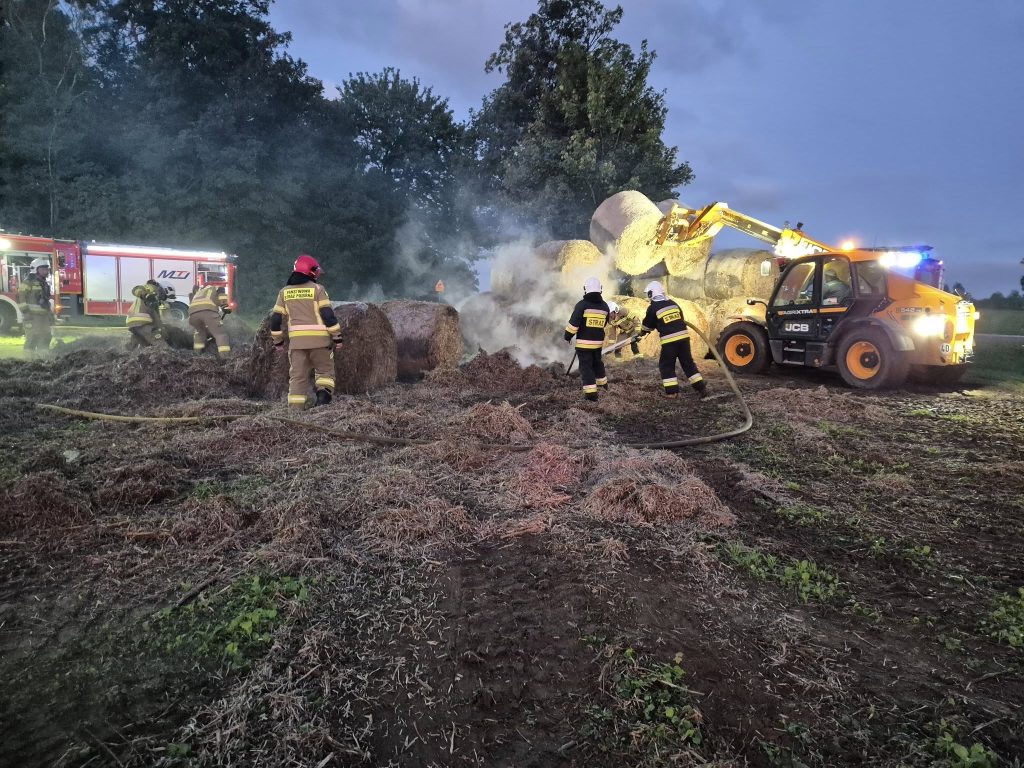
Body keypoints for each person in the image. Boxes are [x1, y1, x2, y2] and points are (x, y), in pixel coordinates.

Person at [269, 254, 342, 408]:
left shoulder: (284, 292)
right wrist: (337, 337)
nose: (317, 274)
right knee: (324, 372)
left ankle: (295, 411)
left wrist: (278, 342)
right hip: (320, 342)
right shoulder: (318, 289)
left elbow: (275, 320)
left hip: (297, 345)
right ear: (310, 271)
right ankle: (322, 398)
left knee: (297, 378)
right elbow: (328, 316)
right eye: (315, 271)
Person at [641, 281, 707, 399]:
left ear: (651, 294)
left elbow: (648, 324)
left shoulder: (653, 307)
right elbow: (680, 319)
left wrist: (643, 331)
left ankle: (672, 392)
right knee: (688, 363)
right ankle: (701, 387)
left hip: (670, 341)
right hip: (684, 339)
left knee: (666, 365)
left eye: (648, 294)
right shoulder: (673, 303)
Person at [564, 277, 609, 402]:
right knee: (598, 363)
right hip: (598, 343)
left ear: (585, 290)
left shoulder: (582, 305)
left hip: (584, 344)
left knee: (586, 367)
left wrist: (567, 336)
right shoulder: (605, 306)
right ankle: (602, 384)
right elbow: (604, 323)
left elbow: (573, 324)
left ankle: (591, 394)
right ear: (600, 290)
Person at [17, 258, 53, 358]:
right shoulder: (27, 283)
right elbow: (20, 298)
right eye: (43, 269)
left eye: (47, 269)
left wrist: (50, 314)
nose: (46, 271)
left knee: (46, 336)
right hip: (32, 317)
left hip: (43, 317)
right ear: (36, 269)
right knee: (33, 338)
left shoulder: (44, 283)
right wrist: (26, 312)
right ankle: (28, 360)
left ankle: (43, 358)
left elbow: (45, 301)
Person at [188, 283, 231, 357]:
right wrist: (224, 306)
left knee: (200, 333)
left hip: (192, 315)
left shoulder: (200, 291)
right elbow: (222, 297)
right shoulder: (217, 288)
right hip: (208, 311)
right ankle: (225, 357)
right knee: (220, 335)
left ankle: (197, 354)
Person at [125, 283, 164, 347]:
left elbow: (136, 290)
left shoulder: (141, 298)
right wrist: (161, 330)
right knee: (161, 345)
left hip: (133, 324)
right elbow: (156, 318)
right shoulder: (151, 298)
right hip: (143, 324)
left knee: (139, 345)